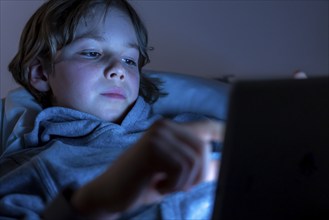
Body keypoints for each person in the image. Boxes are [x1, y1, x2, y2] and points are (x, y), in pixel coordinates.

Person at [0, 0, 224, 219]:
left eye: (129, 59)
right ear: (41, 73)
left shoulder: (192, 127)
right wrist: (90, 204)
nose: (118, 69)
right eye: (91, 53)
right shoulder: (33, 167)